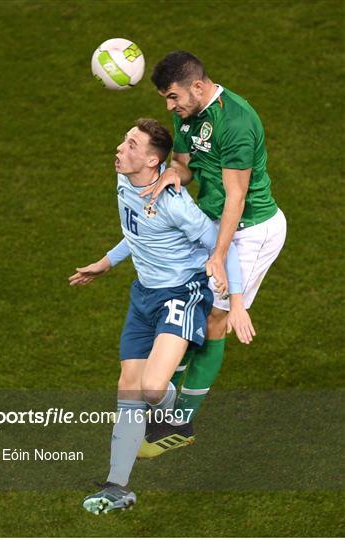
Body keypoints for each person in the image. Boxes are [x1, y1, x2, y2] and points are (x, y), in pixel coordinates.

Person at [69, 118, 253, 514]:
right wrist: (107, 262)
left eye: (132, 145)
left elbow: (221, 247)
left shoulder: (174, 203)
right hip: (143, 297)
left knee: (151, 389)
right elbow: (138, 231)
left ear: (154, 161)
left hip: (180, 293)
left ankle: (176, 418)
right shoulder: (124, 181)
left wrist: (235, 301)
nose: (121, 148)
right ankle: (117, 486)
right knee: (128, 388)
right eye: (124, 140)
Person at [135, 51, 287, 457]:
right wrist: (172, 172)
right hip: (214, 221)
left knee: (216, 318)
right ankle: (163, 401)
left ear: (197, 87)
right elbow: (186, 166)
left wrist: (219, 256)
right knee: (192, 307)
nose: (170, 107)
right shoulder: (187, 114)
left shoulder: (236, 121)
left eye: (172, 97)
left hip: (250, 230)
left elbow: (236, 198)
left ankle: (179, 424)